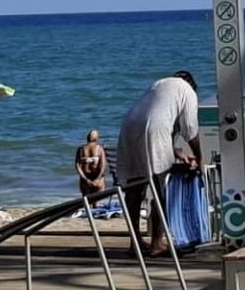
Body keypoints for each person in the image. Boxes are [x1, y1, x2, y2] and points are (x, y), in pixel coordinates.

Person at [116, 71, 201, 256]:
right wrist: (200, 158)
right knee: (159, 189)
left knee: (134, 188)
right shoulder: (188, 91)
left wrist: (176, 152)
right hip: (152, 130)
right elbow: (190, 129)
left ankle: (135, 243)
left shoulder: (159, 84)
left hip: (128, 127)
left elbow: (155, 118)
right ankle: (157, 243)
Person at [75, 129, 109, 197]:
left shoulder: (81, 149)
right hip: (97, 179)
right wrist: (97, 179)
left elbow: (77, 165)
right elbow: (103, 166)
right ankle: (95, 205)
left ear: (87, 138)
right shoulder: (99, 149)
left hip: (85, 180)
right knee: (96, 199)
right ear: (97, 139)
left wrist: (86, 179)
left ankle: (88, 206)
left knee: (87, 201)